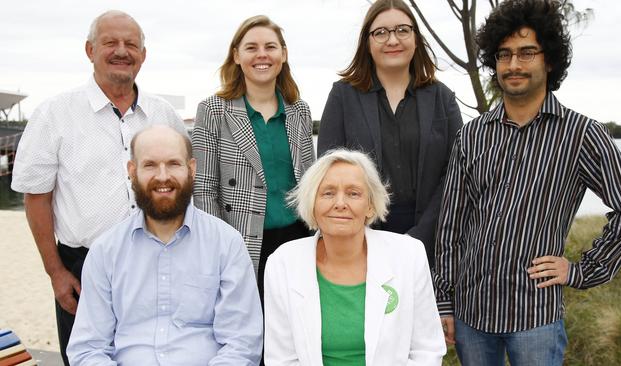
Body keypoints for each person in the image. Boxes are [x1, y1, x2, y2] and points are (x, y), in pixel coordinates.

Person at [433, 1, 621, 365]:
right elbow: (451, 226)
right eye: (504, 55)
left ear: (549, 60)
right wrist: (445, 301)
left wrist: (581, 271)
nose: (514, 65)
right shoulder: (470, 136)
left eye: (526, 52)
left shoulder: (581, 134)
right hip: (471, 311)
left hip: (534, 316)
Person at [10, 10, 186, 365]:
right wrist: (56, 273)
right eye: (110, 43)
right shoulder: (54, 114)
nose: (121, 51)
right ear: (90, 50)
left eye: (130, 44)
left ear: (143, 55)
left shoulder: (163, 114)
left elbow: (183, 187)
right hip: (83, 266)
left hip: (161, 260)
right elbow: (37, 196)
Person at [66, 125, 263, 365]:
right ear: (132, 171)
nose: (162, 176)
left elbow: (242, 343)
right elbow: (88, 349)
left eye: (173, 163)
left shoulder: (227, 244)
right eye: (150, 165)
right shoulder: (105, 251)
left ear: (191, 169)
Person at [264, 149, 446, 365]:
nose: (340, 203)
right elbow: (282, 359)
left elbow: (427, 350)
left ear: (370, 206)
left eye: (353, 193)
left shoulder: (409, 255)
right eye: (328, 193)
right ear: (312, 204)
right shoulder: (283, 263)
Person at [317, 0, 462, 267]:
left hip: (430, 239)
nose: (392, 39)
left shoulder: (442, 98)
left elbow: (455, 175)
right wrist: (363, 234)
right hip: (360, 238)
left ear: (416, 39)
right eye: (381, 32)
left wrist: (419, 237)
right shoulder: (343, 96)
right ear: (367, 42)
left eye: (402, 30)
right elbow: (329, 171)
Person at [192, 15, 314, 295]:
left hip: (298, 243)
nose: (262, 55)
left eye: (270, 47)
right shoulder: (214, 111)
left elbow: (310, 184)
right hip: (241, 244)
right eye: (251, 47)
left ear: (283, 54)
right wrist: (218, 251)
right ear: (236, 55)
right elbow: (204, 191)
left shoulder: (300, 111)